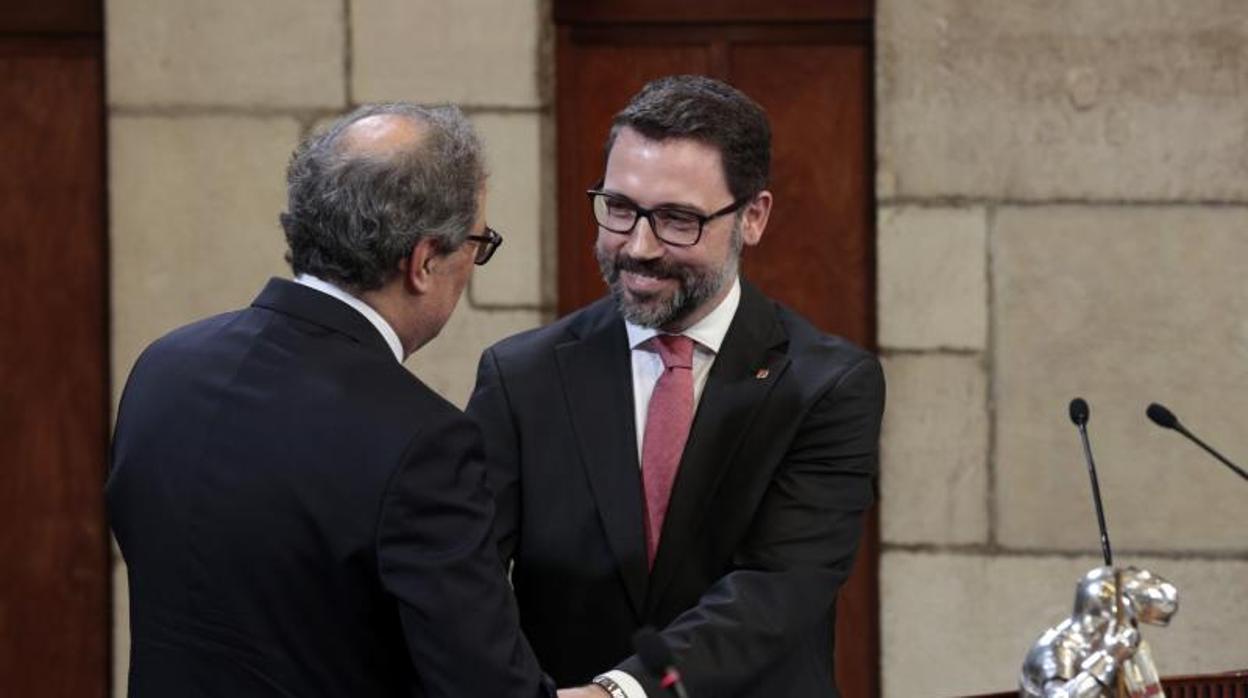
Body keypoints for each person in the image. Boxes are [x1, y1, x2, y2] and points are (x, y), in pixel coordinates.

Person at [107, 103, 553, 697]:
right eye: (477, 243)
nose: (473, 264)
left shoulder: (163, 366)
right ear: (423, 262)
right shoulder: (424, 442)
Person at [467, 75, 886, 697]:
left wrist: (620, 693)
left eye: (676, 220)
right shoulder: (521, 375)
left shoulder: (827, 385)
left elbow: (778, 585)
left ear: (753, 218)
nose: (638, 247)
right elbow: (463, 570)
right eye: (618, 208)